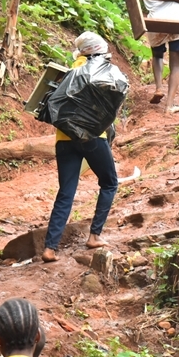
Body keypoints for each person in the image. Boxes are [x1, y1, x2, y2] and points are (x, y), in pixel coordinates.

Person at [41, 33, 120, 263]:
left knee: (66, 192)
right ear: (98, 50)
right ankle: (95, 235)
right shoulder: (102, 70)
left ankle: (50, 248)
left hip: (64, 139)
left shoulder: (69, 72)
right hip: (93, 137)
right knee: (109, 182)